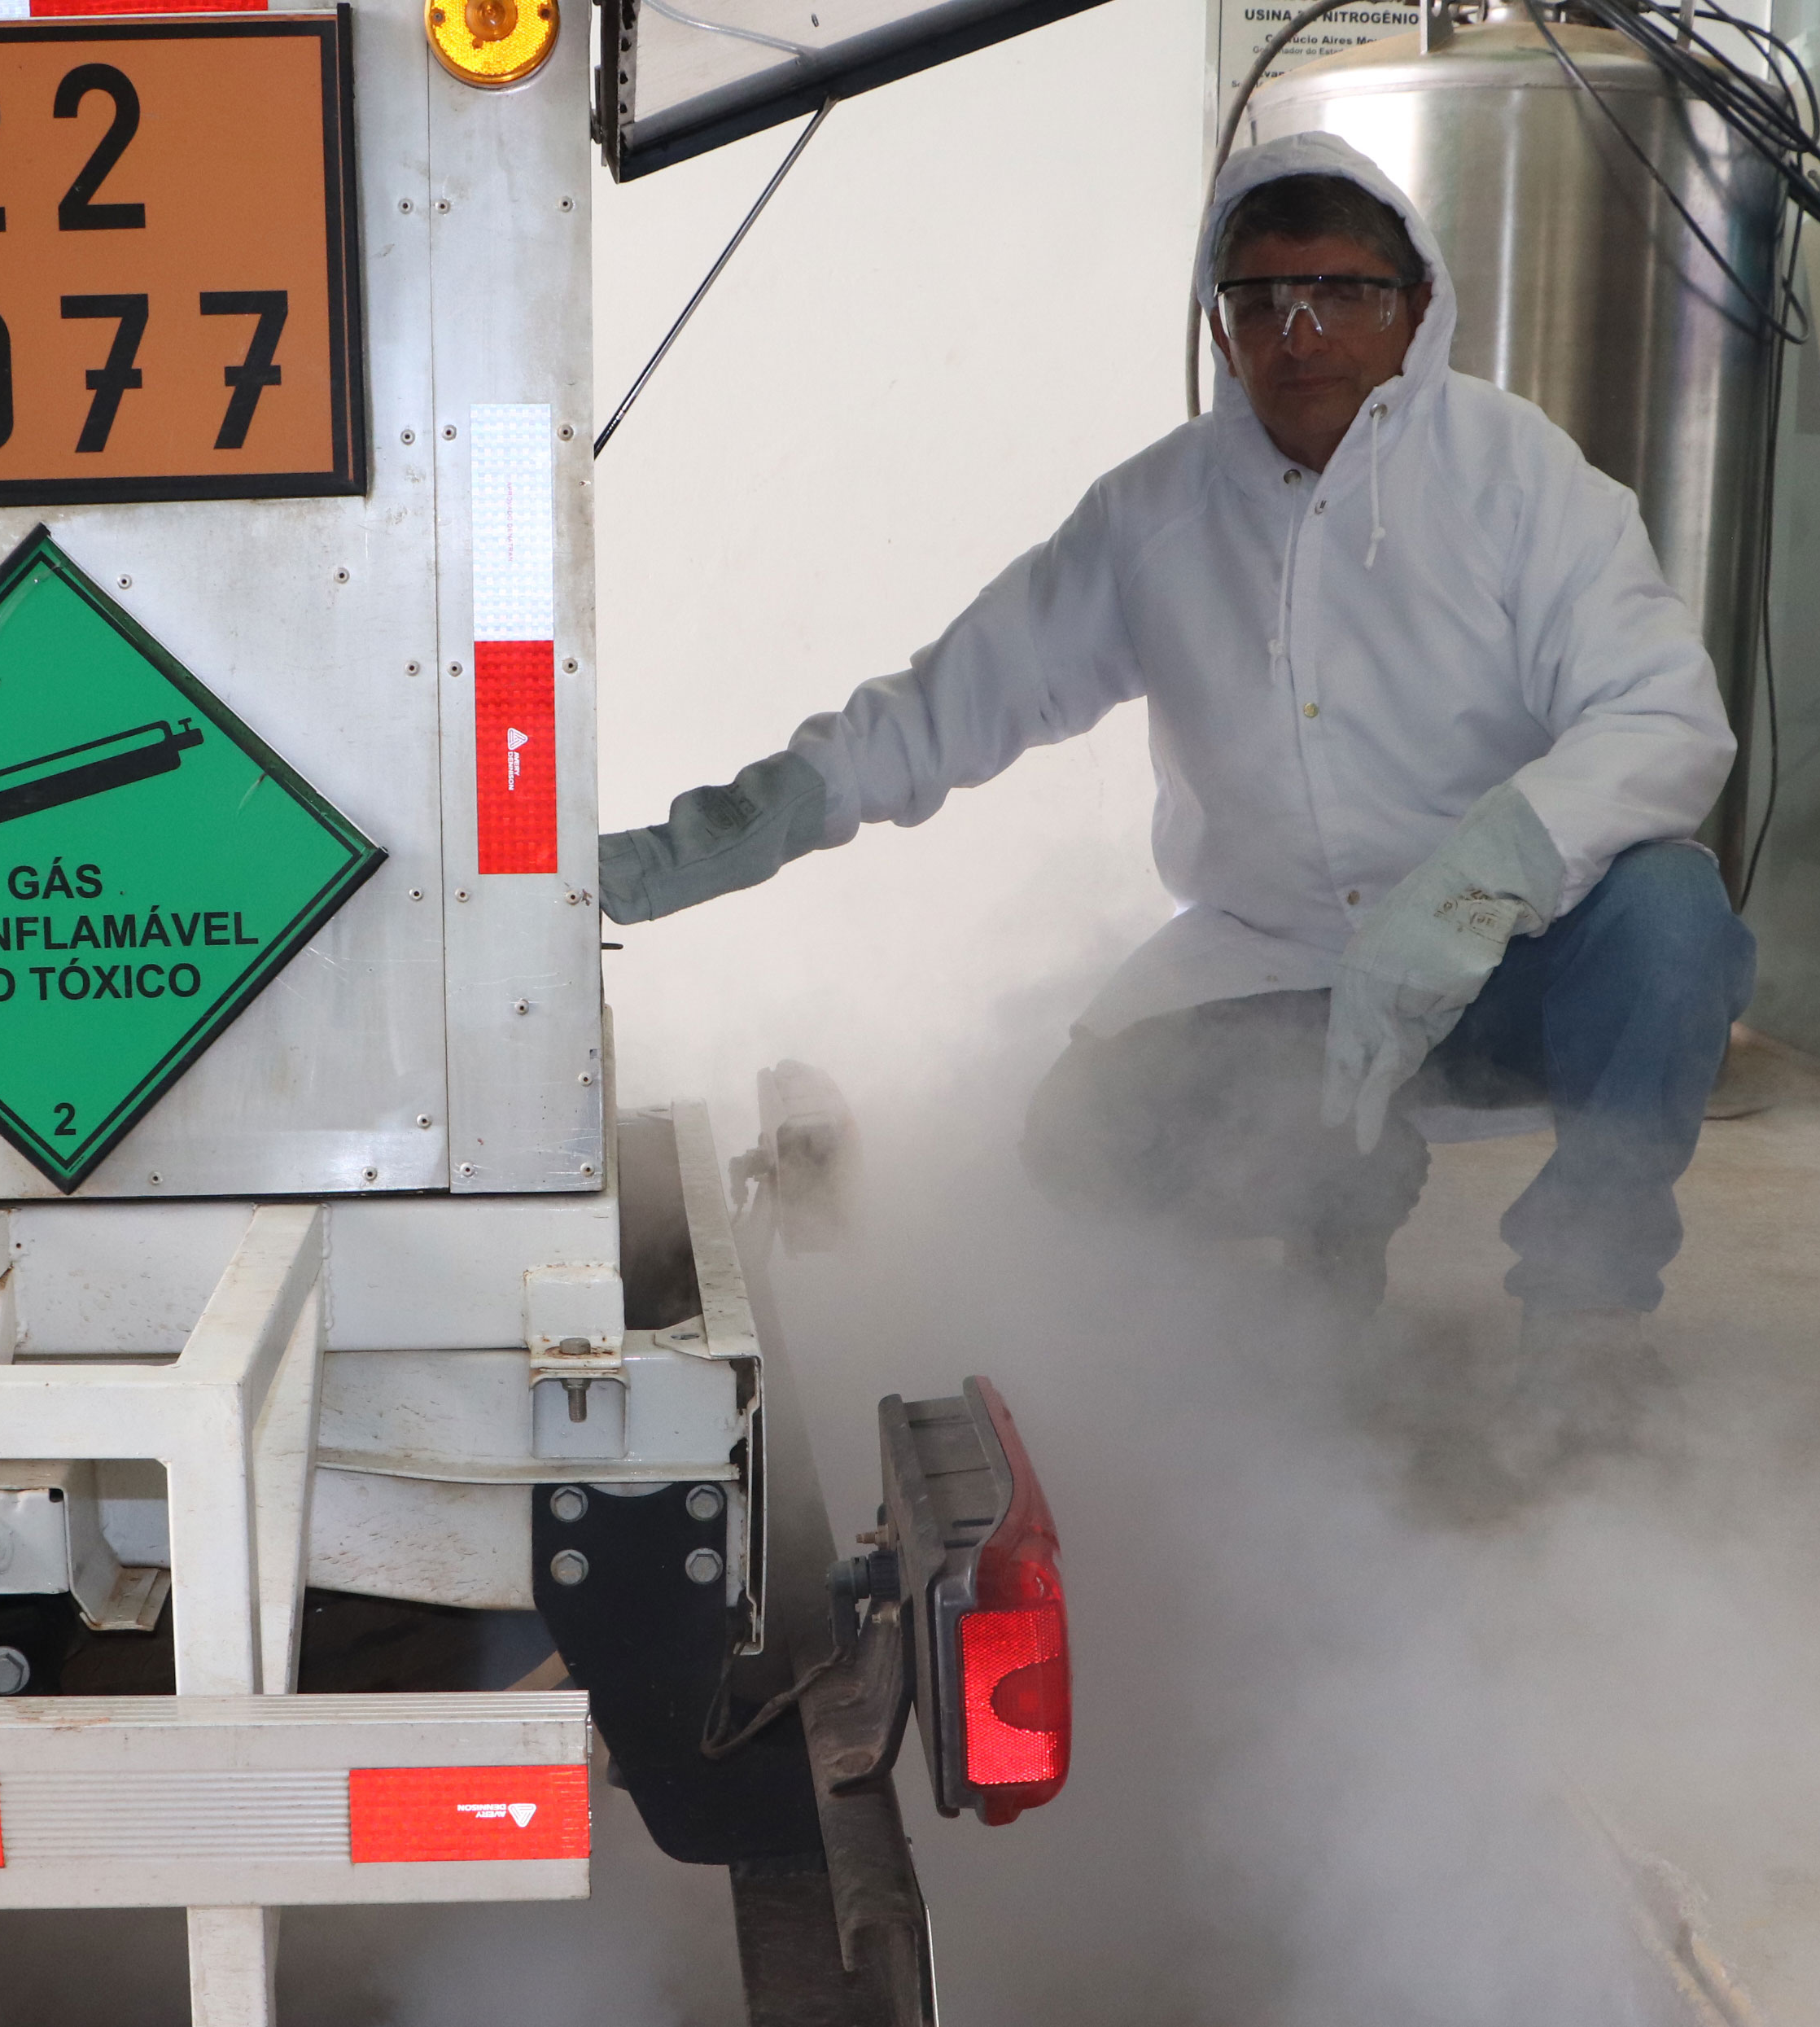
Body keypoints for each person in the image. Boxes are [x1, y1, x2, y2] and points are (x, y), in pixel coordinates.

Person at [597, 133, 1753, 1478]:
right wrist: (717, 833)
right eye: (1260, 302)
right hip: (1276, 973)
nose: (1299, 334)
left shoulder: (1521, 481)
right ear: (1222, 324)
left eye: (1340, 294)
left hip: (1507, 966)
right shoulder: (1160, 514)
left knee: (1674, 916)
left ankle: (1587, 1322)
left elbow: (1668, 715)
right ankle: (1334, 1214)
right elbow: (953, 701)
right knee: (1077, 1132)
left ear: (1417, 308)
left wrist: (1477, 883)